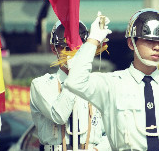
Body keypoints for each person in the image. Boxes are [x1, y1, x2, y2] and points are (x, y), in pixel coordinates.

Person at [63, 9, 159, 150]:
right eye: (149, 40)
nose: (156, 47)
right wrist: (93, 40)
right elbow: (75, 81)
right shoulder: (113, 84)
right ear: (131, 43)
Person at [30, 20, 111, 151]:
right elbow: (59, 115)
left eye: (78, 48)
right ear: (54, 48)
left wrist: (98, 149)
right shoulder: (41, 84)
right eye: (66, 48)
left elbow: (114, 130)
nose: (71, 53)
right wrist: (75, 76)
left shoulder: (98, 84)